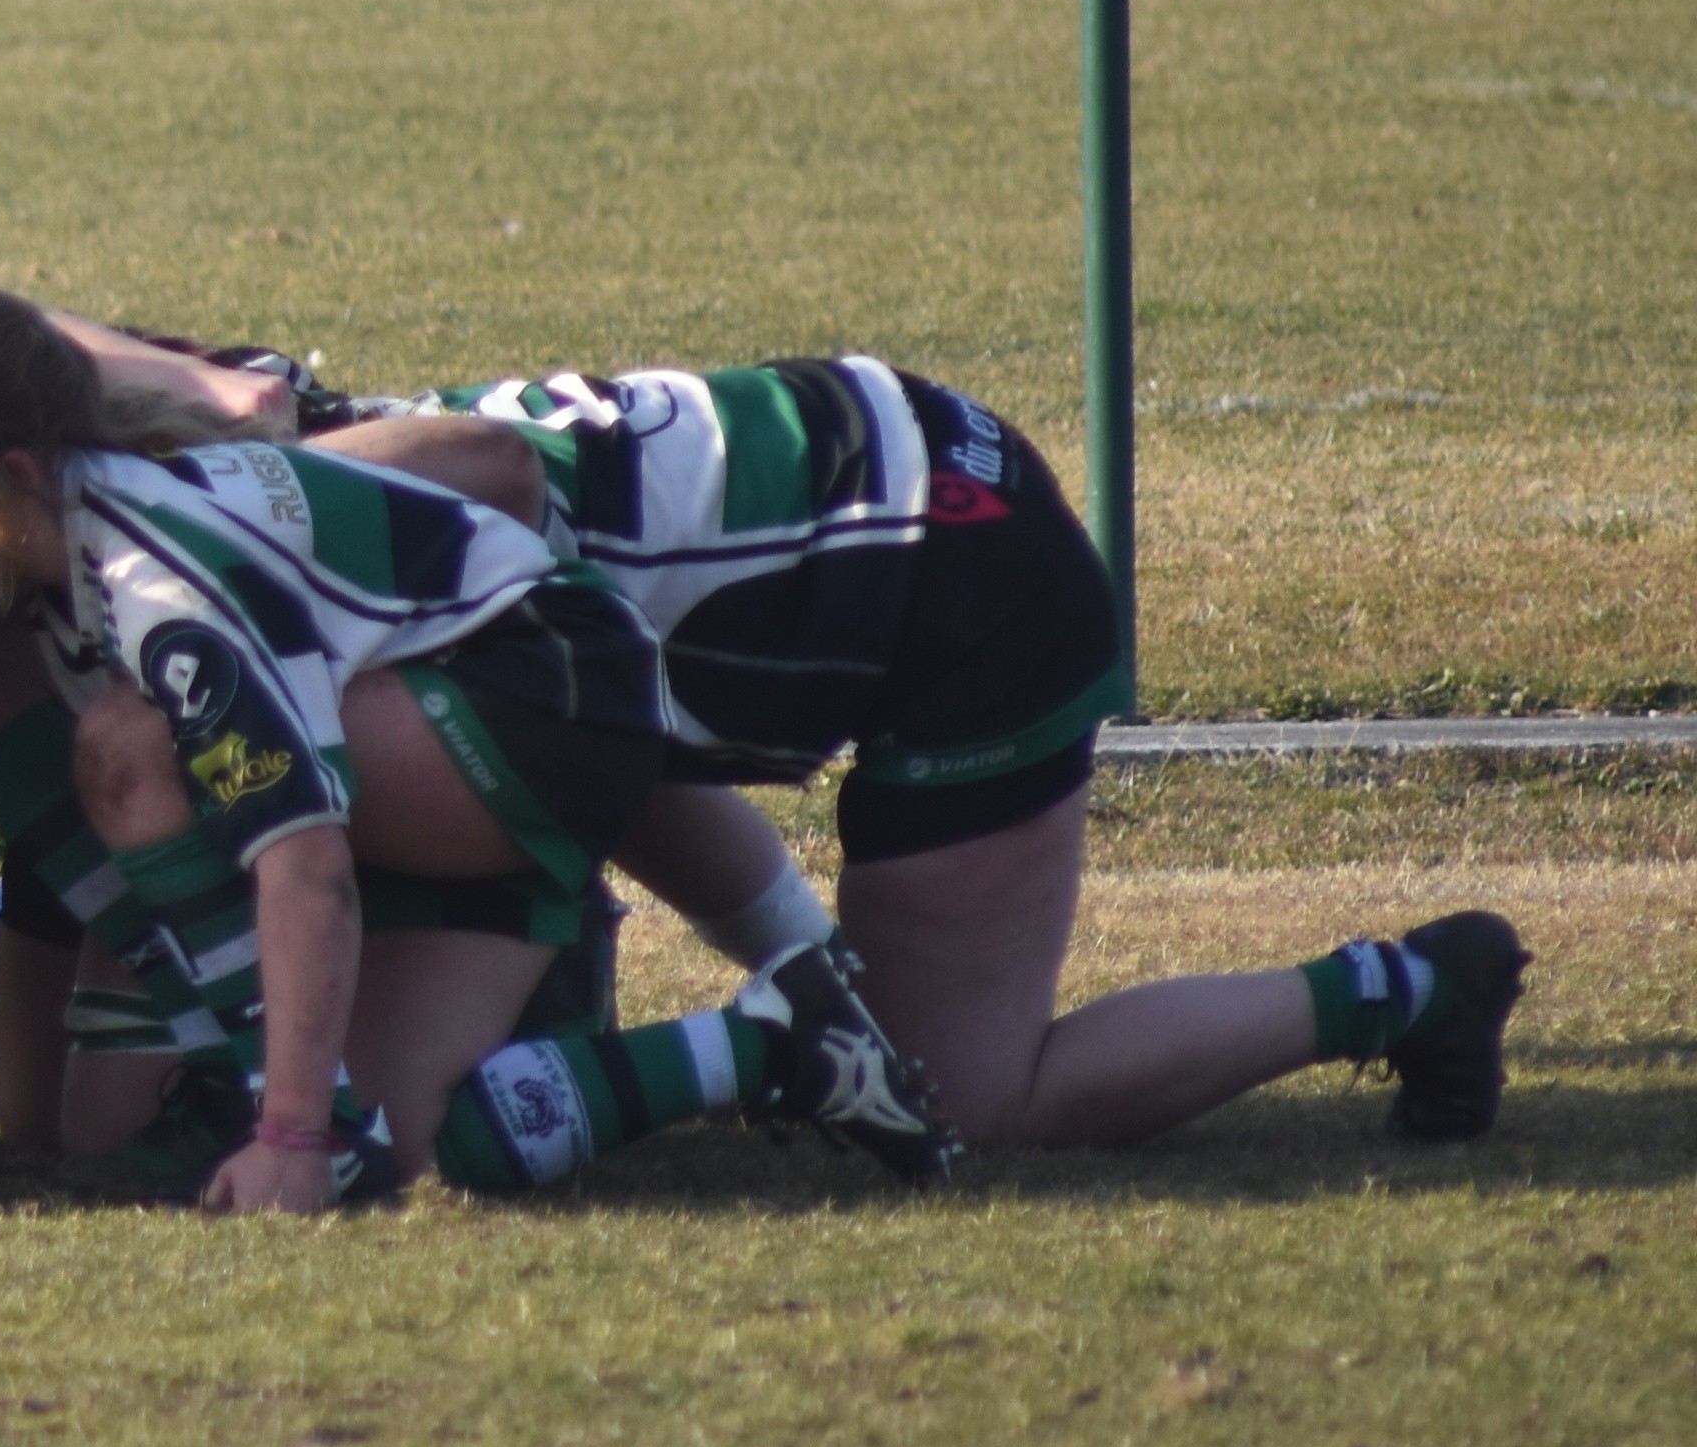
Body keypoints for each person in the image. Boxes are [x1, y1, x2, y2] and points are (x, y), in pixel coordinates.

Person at [337, 360, 1526, 1179]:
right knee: (569, 727)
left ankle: (1418, 987)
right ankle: (801, 1013)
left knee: (965, 1094)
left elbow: (510, 513)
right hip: (903, 474)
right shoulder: (275, 490)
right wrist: (806, 966)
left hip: (965, 579)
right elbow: (617, 754)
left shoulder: (302, 522)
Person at [0, 284, 724, 1216]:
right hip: (454, 697)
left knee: (132, 743)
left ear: (15, 473)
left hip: (554, 705)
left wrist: (295, 1137)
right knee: (408, 1143)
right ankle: (756, 1035)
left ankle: (296, 1093)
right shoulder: (66, 532)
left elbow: (305, 860)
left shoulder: (159, 582)